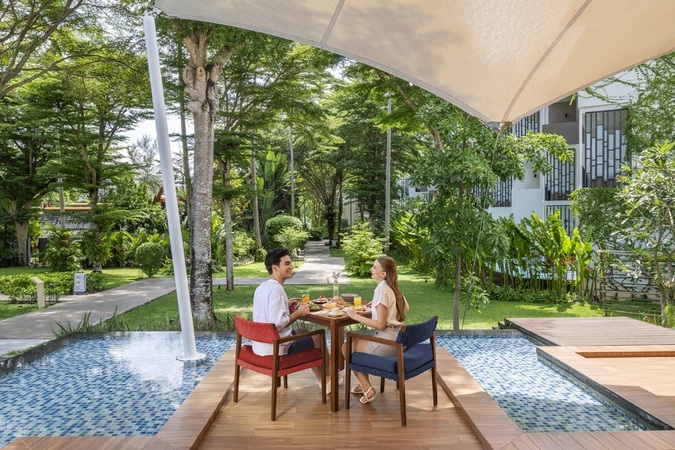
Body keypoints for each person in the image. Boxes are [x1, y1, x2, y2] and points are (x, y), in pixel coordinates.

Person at [252, 247, 341, 393]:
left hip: (262, 344)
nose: (292, 266)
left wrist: (285, 305)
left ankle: (323, 379)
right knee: (318, 336)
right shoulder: (277, 290)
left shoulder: (262, 287)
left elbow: (266, 313)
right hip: (278, 347)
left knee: (305, 332)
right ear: (275, 268)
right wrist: (299, 313)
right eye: (287, 264)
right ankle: (329, 376)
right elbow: (278, 324)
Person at [342, 255, 409, 404]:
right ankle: (363, 384)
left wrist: (355, 316)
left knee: (346, 347)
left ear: (383, 274)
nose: (371, 269)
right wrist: (377, 305)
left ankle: (368, 389)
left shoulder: (381, 289)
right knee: (356, 341)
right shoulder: (393, 286)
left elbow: (380, 325)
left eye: (374, 267)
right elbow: (406, 307)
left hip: (387, 343)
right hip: (399, 340)